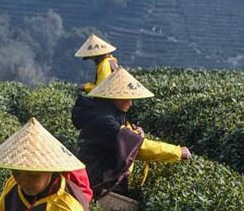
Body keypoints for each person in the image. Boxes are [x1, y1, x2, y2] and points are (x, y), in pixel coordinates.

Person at [71, 66, 191, 198]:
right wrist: (177, 152)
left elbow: (124, 134)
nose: (131, 104)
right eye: (128, 98)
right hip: (97, 183)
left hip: (98, 178)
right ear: (116, 97)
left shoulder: (105, 112)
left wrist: (133, 134)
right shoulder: (104, 120)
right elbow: (140, 148)